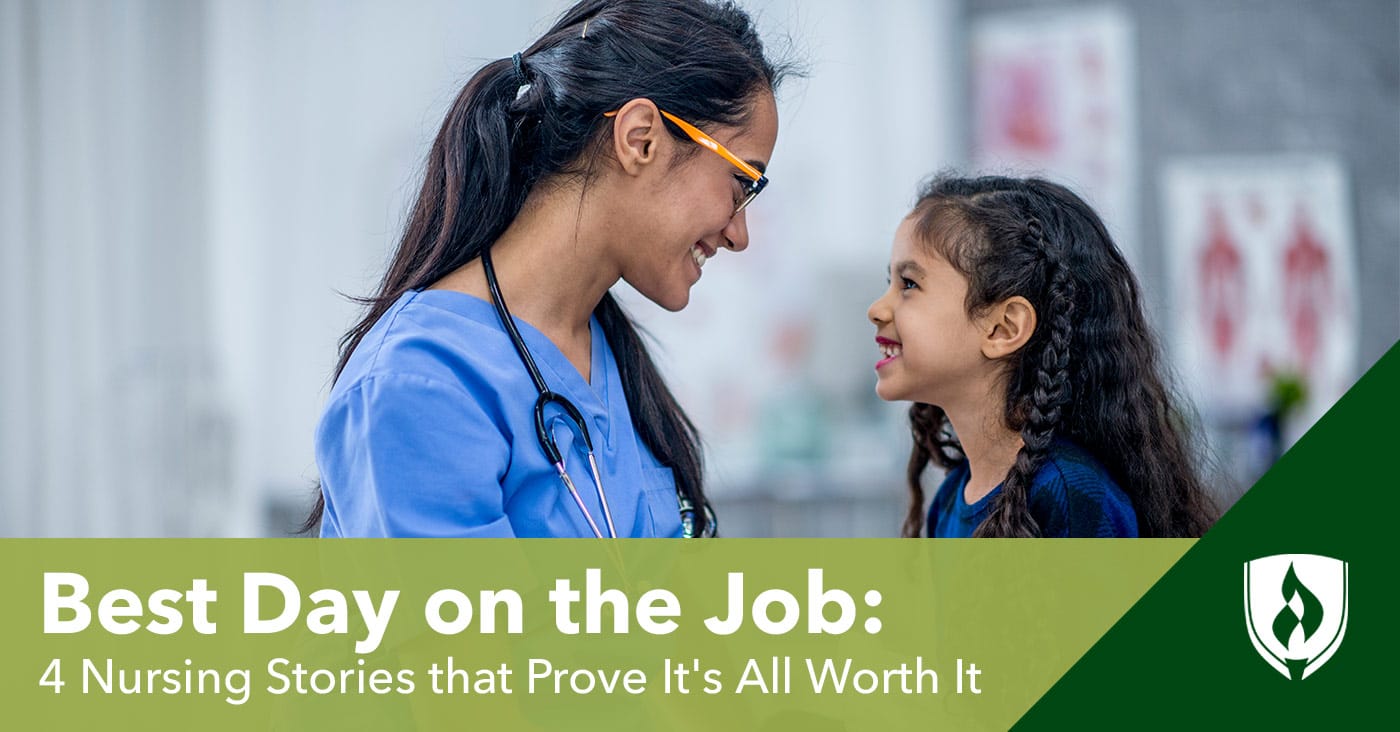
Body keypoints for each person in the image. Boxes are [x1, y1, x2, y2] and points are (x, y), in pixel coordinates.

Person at [309, 0, 791, 538]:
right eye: (742, 183)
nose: (739, 234)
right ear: (641, 139)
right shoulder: (420, 387)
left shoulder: (609, 355)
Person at [867, 175, 1218, 538]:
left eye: (909, 284)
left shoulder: (1070, 494)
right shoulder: (950, 499)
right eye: (889, 283)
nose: (876, 309)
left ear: (1003, 328)